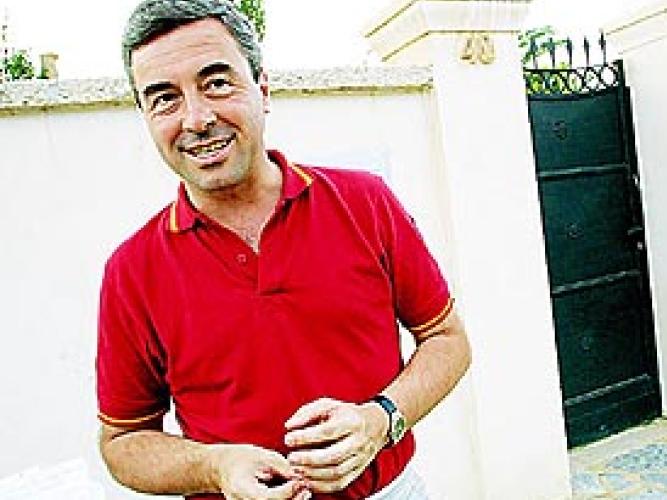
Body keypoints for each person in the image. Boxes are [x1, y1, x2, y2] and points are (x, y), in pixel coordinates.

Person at [96, 0, 471, 499]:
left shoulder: (364, 203)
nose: (197, 119)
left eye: (216, 83)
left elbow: (447, 339)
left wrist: (380, 420)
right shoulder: (132, 270)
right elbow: (122, 441)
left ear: (263, 89)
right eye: (165, 98)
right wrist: (214, 467)